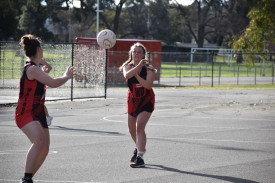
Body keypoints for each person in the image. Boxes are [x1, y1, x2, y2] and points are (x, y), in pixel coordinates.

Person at [15, 34, 75, 183]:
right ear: (39, 49)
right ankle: (26, 178)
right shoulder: (32, 69)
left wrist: (38, 58)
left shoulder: (36, 68)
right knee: (39, 142)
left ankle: (28, 177)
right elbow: (54, 83)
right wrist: (67, 76)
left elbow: (48, 67)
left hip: (38, 112)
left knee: (45, 148)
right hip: (25, 113)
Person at [120, 42, 156, 168]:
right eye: (134, 52)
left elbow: (148, 85)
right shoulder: (127, 66)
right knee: (131, 129)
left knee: (139, 126)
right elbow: (127, 75)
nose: (136, 54)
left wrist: (137, 73)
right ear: (131, 53)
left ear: (143, 55)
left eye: (139, 52)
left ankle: (140, 157)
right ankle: (139, 147)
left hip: (146, 100)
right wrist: (136, 70)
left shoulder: (149, 68)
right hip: (133, 100)